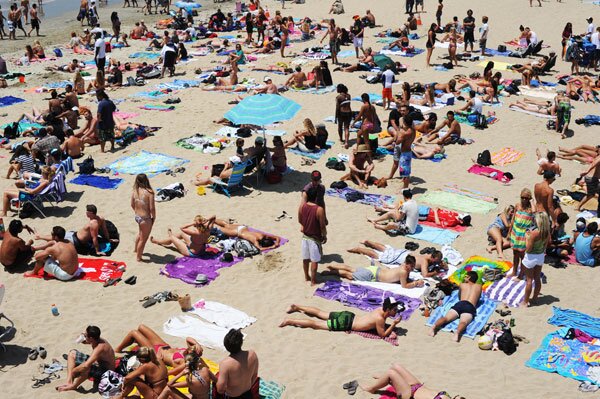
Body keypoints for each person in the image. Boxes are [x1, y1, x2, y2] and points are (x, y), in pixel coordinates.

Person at [279, 297, 403, 338]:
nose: (396, 311)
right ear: (388, 309)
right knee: (316, 324)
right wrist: (394, 324)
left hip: (348, 315)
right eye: (394, 309)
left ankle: (296, 307)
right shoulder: (380, 319)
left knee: (320, 313)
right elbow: (382, 334)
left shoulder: (379, 310)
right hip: (346, 323)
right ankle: (290, 321)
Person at [116, 324, 204, 376]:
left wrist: (158, 360)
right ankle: (131, 344)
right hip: (164, 346)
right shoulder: (191, 352)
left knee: (134, 333)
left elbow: (170, 372)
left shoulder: (184, 362)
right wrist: (197, 344)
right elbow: (188, 338)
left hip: (155, 352)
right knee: (141, 327)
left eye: (191, 348)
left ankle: (117, 350)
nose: (189, 347)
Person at [56, 326, 116, 392]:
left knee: (86, 368)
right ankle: (69, 382)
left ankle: (74, 386)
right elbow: (85, 342)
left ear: (91, 338)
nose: (84, 335)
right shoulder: (96, 339)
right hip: (98, 363)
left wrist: (74, 370)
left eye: (86, 335)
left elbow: (86, 366)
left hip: (106, 371)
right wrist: (81, 338)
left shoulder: (100, 347)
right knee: (72, 353)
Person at [344, 363, 455, 399]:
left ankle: (371, 389)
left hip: (410, 394)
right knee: (395, 366)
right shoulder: (448, 396)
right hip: (417, 385)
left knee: (391, 373)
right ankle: (387, 380)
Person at [429, 270, 481, 342]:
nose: (464, 278)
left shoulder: (462, 285)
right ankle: (456, 334)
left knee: (446, 318)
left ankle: (433, 328)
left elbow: (459, 297)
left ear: (469, 277)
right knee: (463, 322)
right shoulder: (479, 286)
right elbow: (478, 298)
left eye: (466, 276)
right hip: (470, 306)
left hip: (460, 304)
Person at [326, 256, 425, 288]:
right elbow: (404, 286)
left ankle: (332, 265)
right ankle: (332, 272)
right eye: (411, 266)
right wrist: (416, 283)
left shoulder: (403, 266)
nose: (412, 268)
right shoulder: (404, 271)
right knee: (350, 275)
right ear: (407, 264)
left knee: (352, 269)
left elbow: (405, 279)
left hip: (375, 270)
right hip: (373, 275)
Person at [214, 329, 259, 399]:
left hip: (233, 396)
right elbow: (255, 375)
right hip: (248, 393)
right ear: (241, 343)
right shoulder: (252, 354)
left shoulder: (225, 364)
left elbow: (220, 389)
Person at [299, 186, 327, 286]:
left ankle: (306, 276)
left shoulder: (303, 206)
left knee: (305, 258)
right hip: (314, 238)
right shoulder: (319, 209)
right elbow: (322, 226)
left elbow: (300, 219)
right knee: (314, 260)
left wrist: (304, 225)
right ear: (315, 197)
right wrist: (325, 236)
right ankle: (313, 281)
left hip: (305, 237)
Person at [522, 212, 551, 307]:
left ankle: (525, 301)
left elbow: (528, 248)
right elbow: (546, 245)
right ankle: (534, 299)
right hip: (540, 256)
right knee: (537, 278)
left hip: (531, 257)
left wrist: (527, 237)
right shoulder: (547, 232)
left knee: (529, 280)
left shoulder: (534, 233)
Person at [151, 215, 216, 257]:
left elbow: (182, 228)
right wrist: (207, 219)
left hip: (192, 253)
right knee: (181, 234)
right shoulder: (208, 229)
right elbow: (214, 217)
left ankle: (158, 241)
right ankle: (171, 238)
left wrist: (192, 223)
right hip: (201, 250)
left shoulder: (195, 232)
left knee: (171, 237)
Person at [509, 188, 535, 278]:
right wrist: (509, 233)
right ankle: (514, 271)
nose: (524, 200)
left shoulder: (531, 209)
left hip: (524, 233)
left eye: (526, 198)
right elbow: (513, 220)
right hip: (515, 232)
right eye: (522, 197)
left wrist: (532, 202)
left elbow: (535, 212)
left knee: (522, 255)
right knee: (515, 253)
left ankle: (521, 274)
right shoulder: (517, 206)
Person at [213, 219, 281, 250]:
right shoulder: (255, 240)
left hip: (243, 228)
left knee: (226, 224)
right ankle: (208, 223)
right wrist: (270, 247)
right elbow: (259, 249)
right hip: (237, 232)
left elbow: (277, 237)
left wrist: (277, 242)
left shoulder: (263, 235)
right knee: (219, 229)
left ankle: (212, 219)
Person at [131, 174, 155, 262]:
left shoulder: (135, 190)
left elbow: (132, 204)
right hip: (145, 218)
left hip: (137, 216)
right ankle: (138, 257)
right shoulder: (149, 192)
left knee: (140, 233)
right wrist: (154, 217)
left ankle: (135, 249)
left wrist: (137, 211)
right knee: (143, 239)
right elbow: (152, 208)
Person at [390, 115, 415, 189]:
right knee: (406, 171)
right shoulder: (413, 130)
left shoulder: (404, 133)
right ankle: (404, 186)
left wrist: (399, 133)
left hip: (404, 154)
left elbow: (398, 142)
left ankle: (405, 188)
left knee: (405, 173)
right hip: (408, 151)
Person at [335, 84, 352, 148]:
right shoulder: (349, 96)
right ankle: (346, 142)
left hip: (341, 113)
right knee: (346, 128)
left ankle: (341, 139)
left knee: (340, 126)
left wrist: (336, 116)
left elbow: (337, 107)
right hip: (349, 112)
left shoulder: (339, 97)